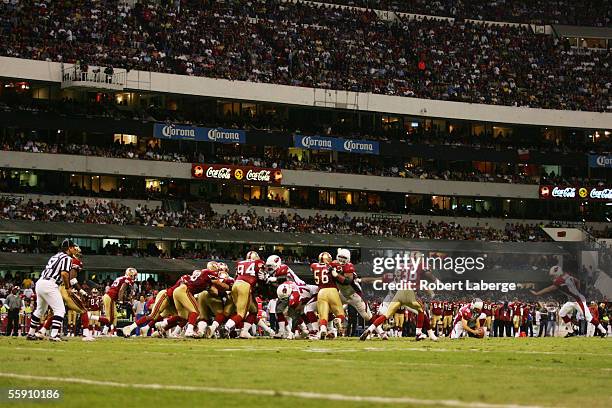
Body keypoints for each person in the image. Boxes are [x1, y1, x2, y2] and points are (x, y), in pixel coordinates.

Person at [27, 239, 79, 341]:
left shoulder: (55, 256)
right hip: (50, 284)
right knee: (60, 310)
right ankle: (54, 335)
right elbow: (64, 273)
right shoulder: (67, 258)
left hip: (41, 282)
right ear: (69, 248)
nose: (75, 249)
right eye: (73, 247)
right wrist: (68, 288)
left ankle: (30, 333)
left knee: (40, 310)